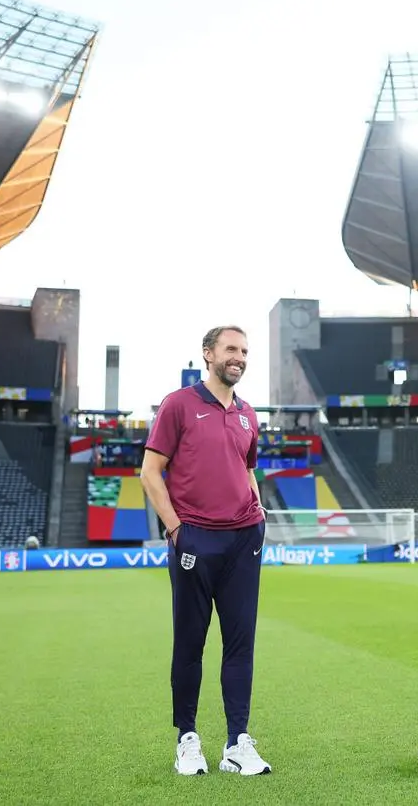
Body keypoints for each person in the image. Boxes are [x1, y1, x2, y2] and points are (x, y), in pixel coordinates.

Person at [141, 325, 272, 777]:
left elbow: (248, 469)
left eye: (245, 351)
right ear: (208, 353)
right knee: (190, 643)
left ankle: (238, 741)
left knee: (240, 644)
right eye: (231, 349)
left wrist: (258, 516)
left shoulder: (249, 415)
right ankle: (188, 739)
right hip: (195, 539)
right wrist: (177, 530)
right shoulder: (179, 405)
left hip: (243, 541)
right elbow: (150, 472)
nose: (239, 357)